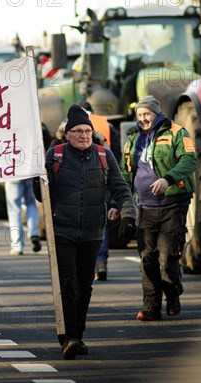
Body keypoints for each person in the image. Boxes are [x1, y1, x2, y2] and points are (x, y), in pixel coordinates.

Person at [37, 104, 137, 360]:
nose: (83, 136)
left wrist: (128, 215)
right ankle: (68, 337)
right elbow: (41, 194)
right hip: (63, 230)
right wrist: (36, 177)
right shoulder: (54, 155)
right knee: (67, 285)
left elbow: (121, 189)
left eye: (87, 131)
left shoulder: (104, 156)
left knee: (86, 286)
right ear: (67, 134)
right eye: (78, 131)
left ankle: (77, 334)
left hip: (92, 232)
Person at [121, 95, 197, 321]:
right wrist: (118, 204)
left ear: (156, 114)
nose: (143, 119)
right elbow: (125, 175)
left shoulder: (177, 132)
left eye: (147, 114)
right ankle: (151, 307)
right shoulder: (132, 140)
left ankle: (173, 295)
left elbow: (190, 160)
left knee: (168, 257)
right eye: (140, 115)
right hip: (145, 207)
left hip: (173, 205)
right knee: (147, 258)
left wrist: (168, 179)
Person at [78, 100, 123, 281]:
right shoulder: (107, 125)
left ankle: (84, 265)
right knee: (101, 222)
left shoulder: (70, 125)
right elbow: (117, 155)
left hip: (79, 183)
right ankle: (101, 263)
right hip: (103, 179)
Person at [5, 178, 41, 255]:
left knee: (14, 209)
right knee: (31, 204)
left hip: (13, 174)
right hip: (29, 174)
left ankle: (17, 246)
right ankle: (34, 233)